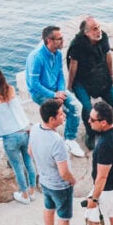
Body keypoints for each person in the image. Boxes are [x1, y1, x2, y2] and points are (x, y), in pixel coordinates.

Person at [29, 99, 84, 225]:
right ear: (52, 119)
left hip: (44, 181)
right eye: (60, 114)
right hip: (60, 186)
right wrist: (72, 181)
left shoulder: (34, 129)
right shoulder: (56, 141)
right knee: (64, 217)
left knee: (48, 208)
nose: (64, 115)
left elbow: (30, 151)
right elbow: (64, 172)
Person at [25, 26, 85, 158]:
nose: (63, 41)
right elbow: (34, 84)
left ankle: (69, 139)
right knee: (57, 114)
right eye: (60, 39)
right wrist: (53, 96)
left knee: (76, 107)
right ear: (49, 41)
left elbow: (60, 75)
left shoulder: (57, 54)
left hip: (55, 90)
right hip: (40, 93)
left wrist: (61, 91)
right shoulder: (37, 57)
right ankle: (49, 143)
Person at [0, 65, 36, 205]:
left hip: (10, 136)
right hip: (24, 130)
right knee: (28, 161)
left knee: (17, 165)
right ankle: (32, 191)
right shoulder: (10, 89)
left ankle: (24, 194)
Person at [67, 17, 113, 150]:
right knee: (87, 108)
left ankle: (106, 126)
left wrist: (111, 74)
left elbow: (108, 55)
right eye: (95, 29)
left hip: (100, 76)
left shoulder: (103, 37)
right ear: (86, 33)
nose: (99, 31)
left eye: (99, 27)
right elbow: (73, 65)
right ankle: (90, 133)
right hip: (82, 81)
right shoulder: (77, 44)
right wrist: (70, 86)